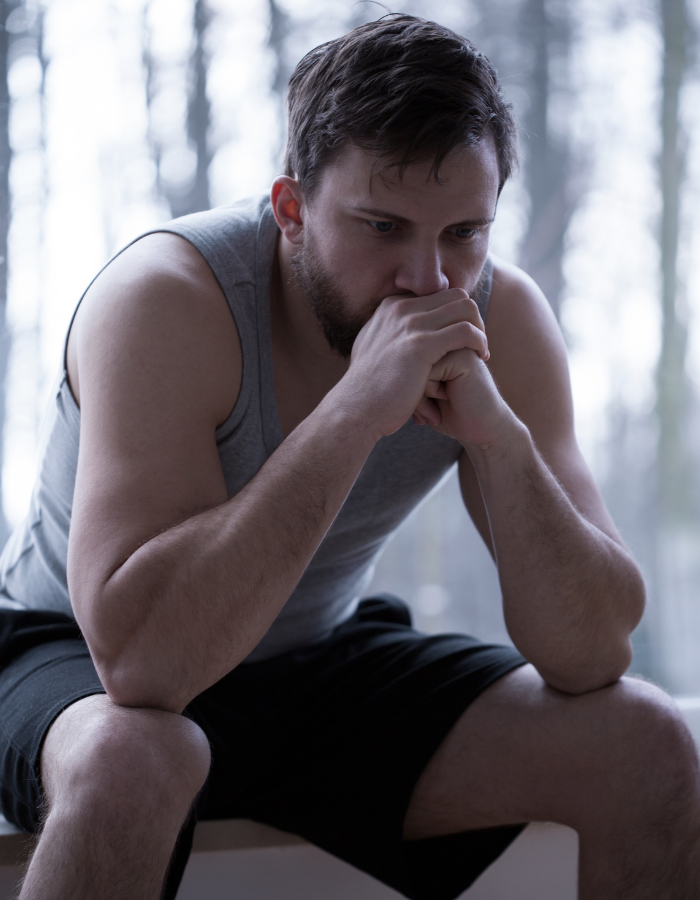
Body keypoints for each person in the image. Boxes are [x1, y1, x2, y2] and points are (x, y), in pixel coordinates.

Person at [0, 14, 698, 900]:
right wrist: (355, 410)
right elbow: (144, 666)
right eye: (383, 227)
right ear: (292, 210)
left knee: (645, 743)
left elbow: (594, 652)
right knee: (133, 756)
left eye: (463, 234)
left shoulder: (501, 319)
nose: (428, 283)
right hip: (75, 656)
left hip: (310, 654)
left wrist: (498, 439)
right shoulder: (167, 302)